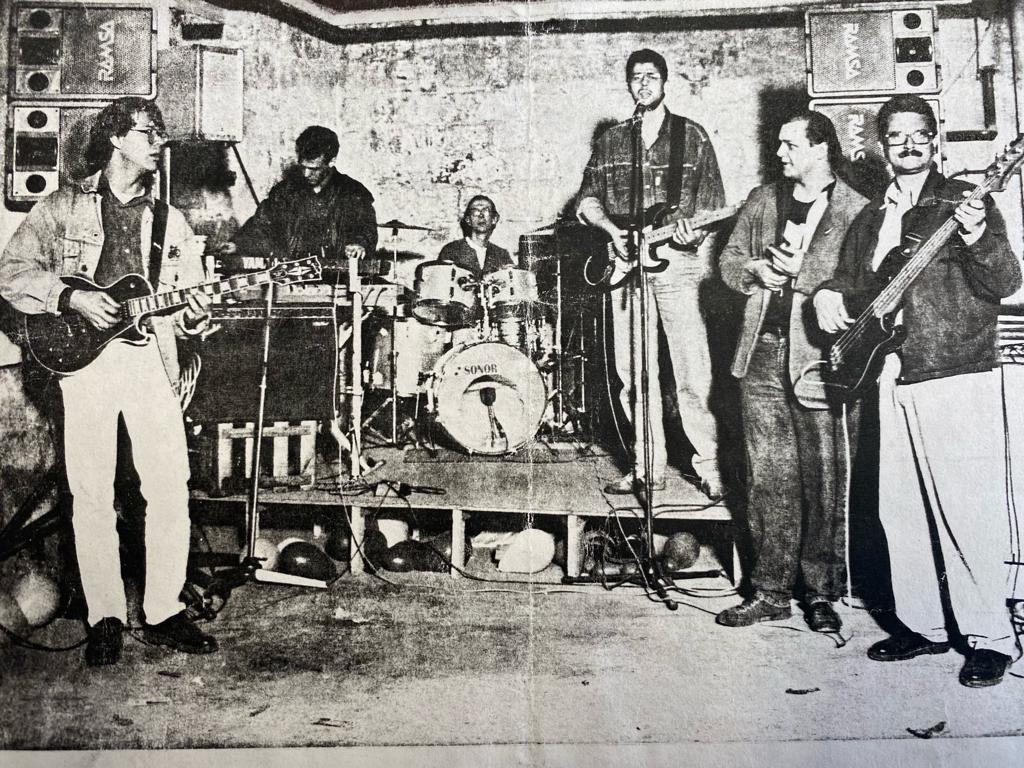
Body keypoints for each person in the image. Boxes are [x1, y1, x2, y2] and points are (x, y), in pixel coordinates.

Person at [0, 97, 218, 666]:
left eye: (161, 134)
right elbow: (10, 273)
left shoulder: (171, 220)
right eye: (148, 133)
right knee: (91, 491)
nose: (159, 144)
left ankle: (164, 609)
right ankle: (104, 617)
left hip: (150, 361)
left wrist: (197, 314)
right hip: (85, 363)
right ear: (117, 139)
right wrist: (69, 297)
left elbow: (187, 308)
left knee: (169, 485)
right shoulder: (63, 205)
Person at [814, 95, 1022, 687]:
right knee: (899, 511)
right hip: (889, 372)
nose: (908, 144)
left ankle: (990, 637)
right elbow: (853, 282)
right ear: (881, 147)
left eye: (920, 134)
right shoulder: (870, 217)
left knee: (966, 511)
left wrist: (977, 235)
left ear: (936, 140)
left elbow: (1006, 279)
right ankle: (923, 625)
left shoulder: (963, 200)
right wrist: (827, 293)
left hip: (954, 370)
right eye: (896, 135)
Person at [716, 111, 866, 631]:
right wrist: (754, 269)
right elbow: (729, 260)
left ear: (821, 149)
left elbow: (862, 278)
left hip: (820, 357)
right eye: (779, 144)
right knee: (767, 476)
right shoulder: (763, 200)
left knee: (825, 476)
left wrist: (803, 276)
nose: (779, 153)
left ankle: (822, 592)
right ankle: (771, 590)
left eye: (790, 145)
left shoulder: (857, 209)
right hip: (761, 351)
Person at [576, 48, 725, 497]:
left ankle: (711, 466)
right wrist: (611, 231)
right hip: (625, 263)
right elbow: (587, 200)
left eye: (652, 76)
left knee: (692, 372)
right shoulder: (611, 141)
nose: (643, 84)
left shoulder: (691, 136)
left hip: (676, 263)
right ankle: (646, 465)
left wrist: (693, 234)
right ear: (628, 85)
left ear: (665, 81)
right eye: (636, 77)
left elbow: (713, 205)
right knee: (634, 373)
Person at [226, 125, 377, 263]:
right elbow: (261, 225)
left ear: (332, 161)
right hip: (291, 276)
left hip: (337, 278)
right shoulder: (285, 192)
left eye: (313, 169)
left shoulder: (353, 193)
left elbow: (365, 229)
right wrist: (237, 244)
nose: (306, 174)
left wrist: (359, 244)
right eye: (303, 167)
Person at [438, 195, 515, 277]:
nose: (481, 215)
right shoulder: (451, 250)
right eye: (475, 211)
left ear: (494, 219)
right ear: (468, 220)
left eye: (486, 210)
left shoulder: (501, 255)